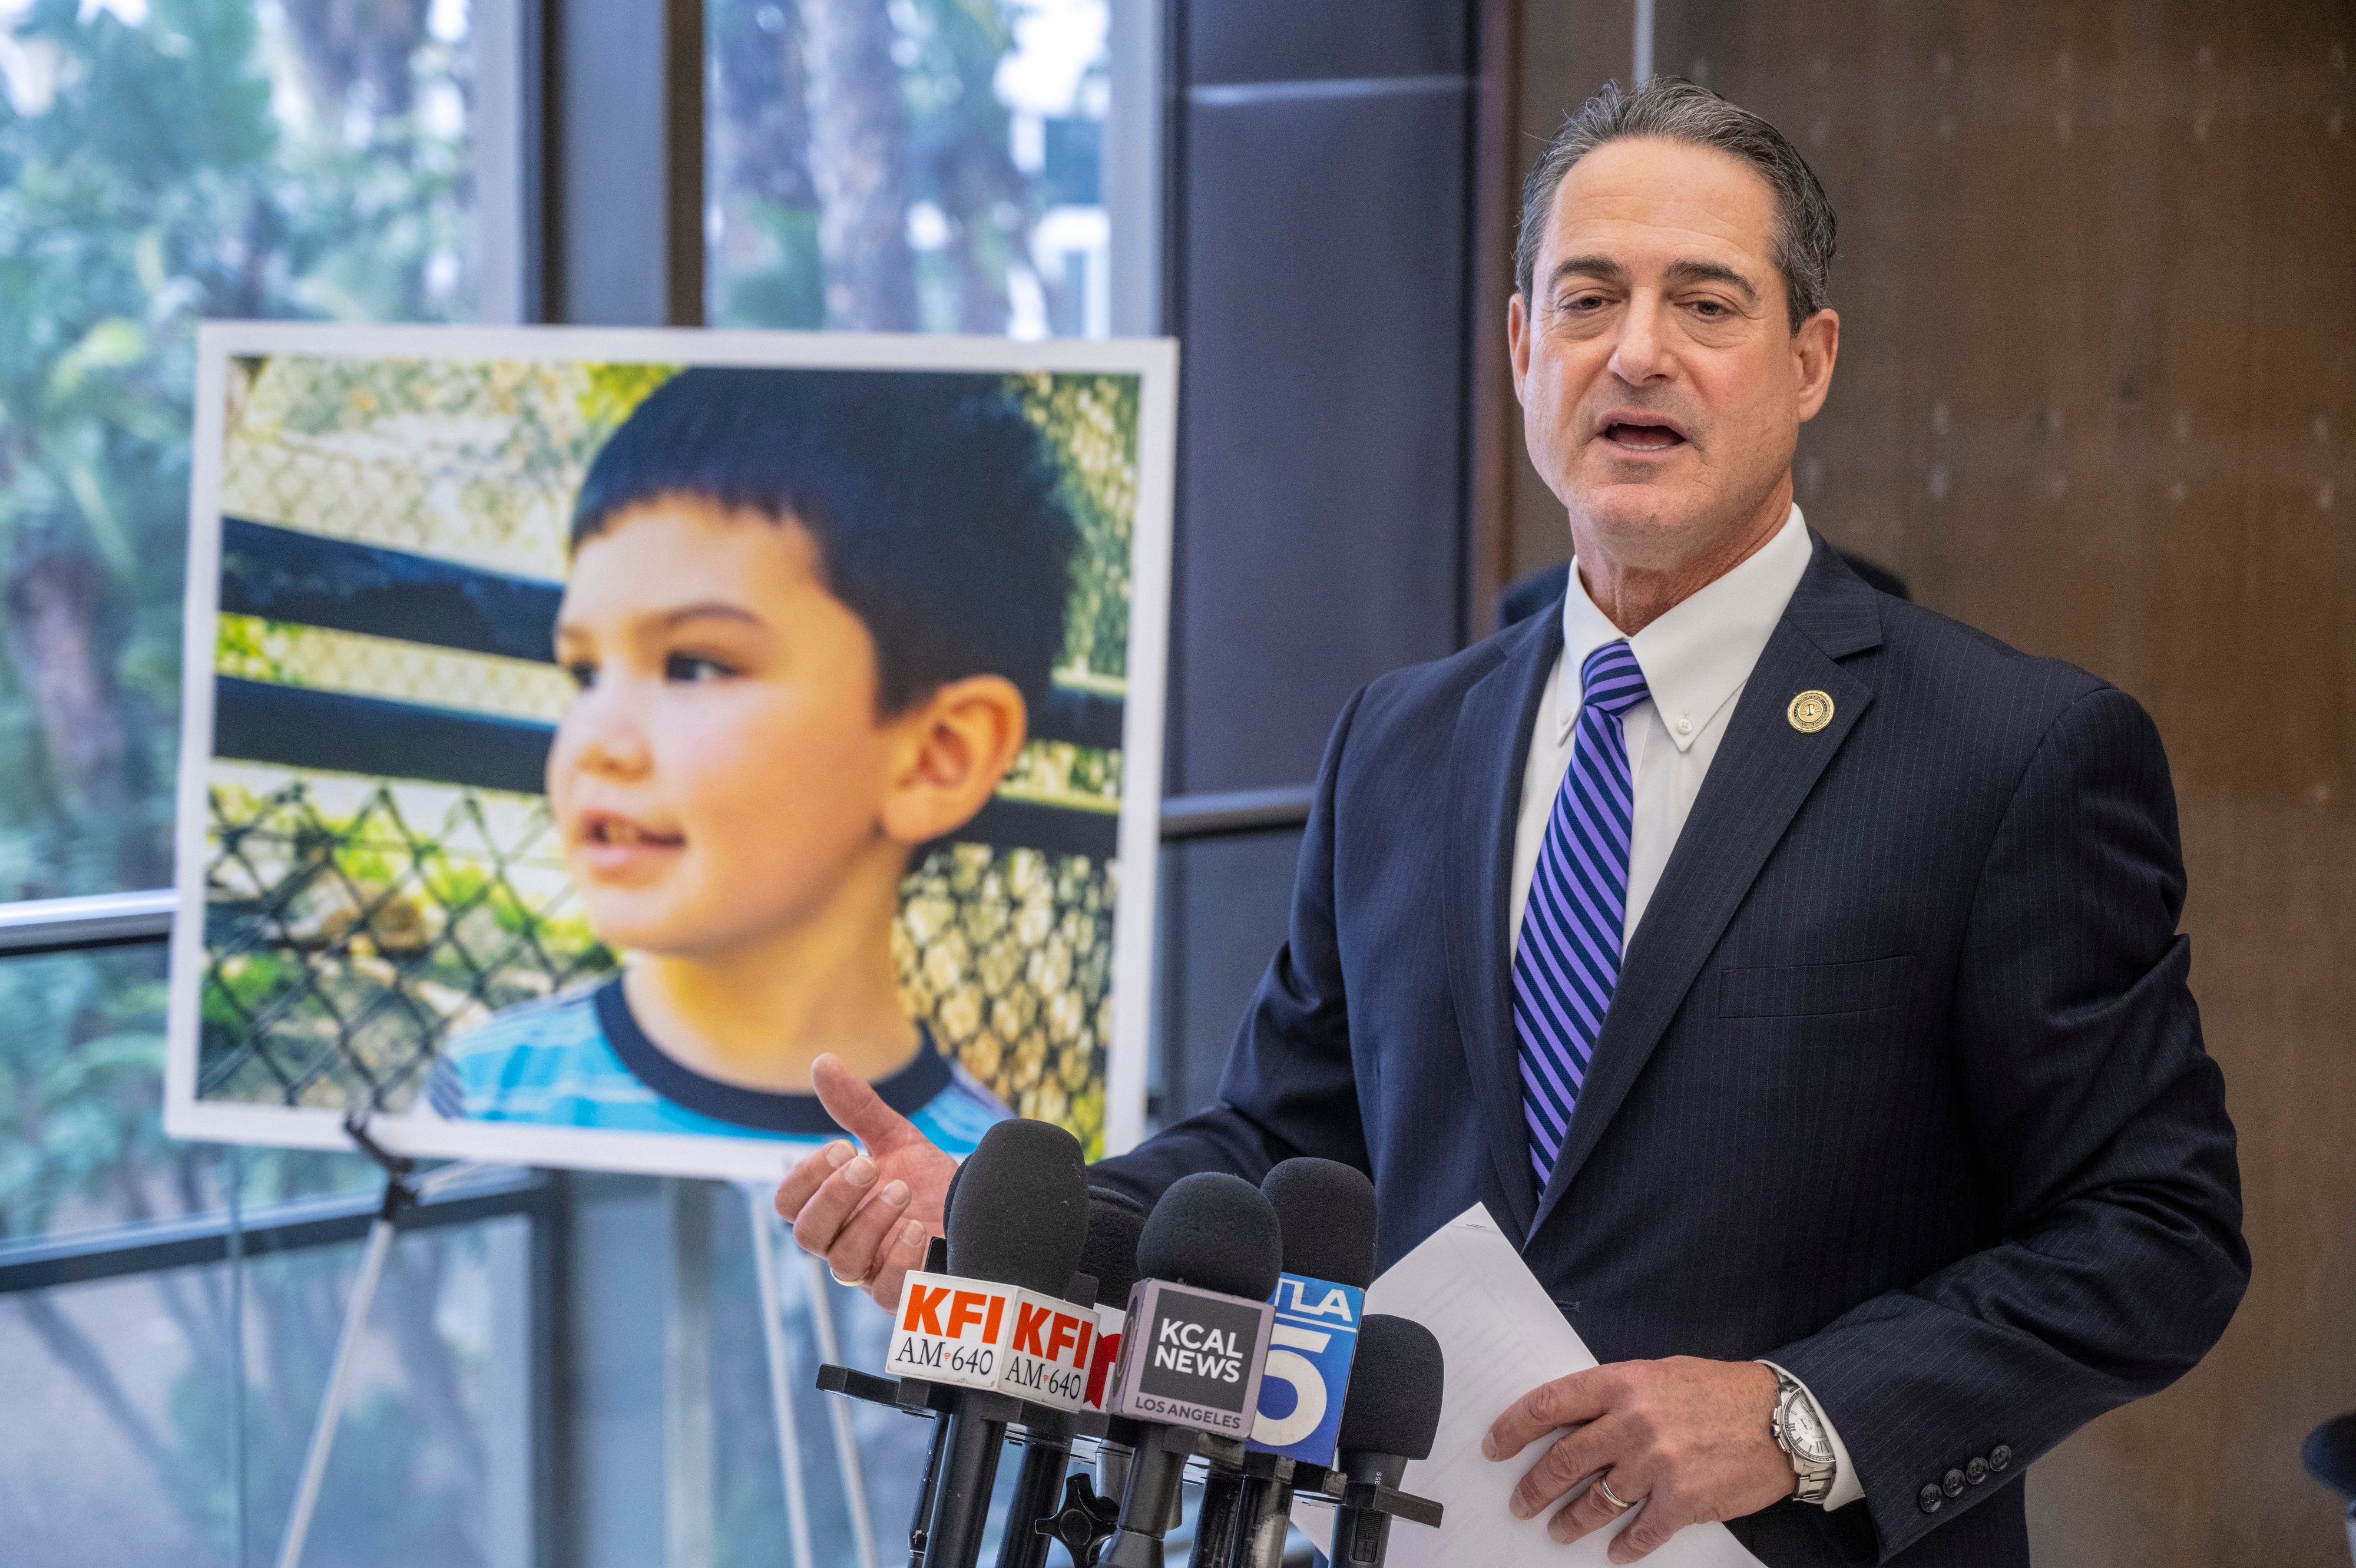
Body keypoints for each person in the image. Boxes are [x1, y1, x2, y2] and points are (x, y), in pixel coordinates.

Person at [774, 79, 2247, 1568]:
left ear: (1809, 361)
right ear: (1520, 344)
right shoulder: (1401, 740)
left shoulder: (2009, 752)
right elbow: (1290, 1137)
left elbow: (2155, 1230)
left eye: (1707, 303)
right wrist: (993, 1218)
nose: (1637, 351)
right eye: (1588, 295)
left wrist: (1797, 1413)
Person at [432, 368, 1080, 1183]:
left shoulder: (989, 1190)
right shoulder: (484, 1091)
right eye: (585, 672)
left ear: (935, 755)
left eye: (695, 666)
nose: (597, 741)